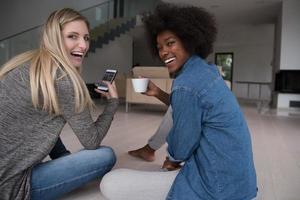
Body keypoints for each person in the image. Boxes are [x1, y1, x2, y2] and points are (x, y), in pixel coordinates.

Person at [100, 2, 257, 200]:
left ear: (189, 40)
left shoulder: (186, 84)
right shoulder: (207, 71)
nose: (163, 51)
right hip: (240, 184)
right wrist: (158, 92)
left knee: (110, 183)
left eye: (170, 43)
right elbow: (190, 106)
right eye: (159, 47)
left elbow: (180, 149)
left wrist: (173, 157)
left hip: (216, 188)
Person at [0, 8, 119, 200]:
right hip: (11, 187)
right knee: (106, 154)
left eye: (86, 38)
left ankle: (63, 158)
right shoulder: (63, 80)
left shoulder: (25, 64)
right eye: (73, 36)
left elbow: (39, 124)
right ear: (55, 38)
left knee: (47, 119)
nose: (83, 45)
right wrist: (113, 103)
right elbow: (92, 141)